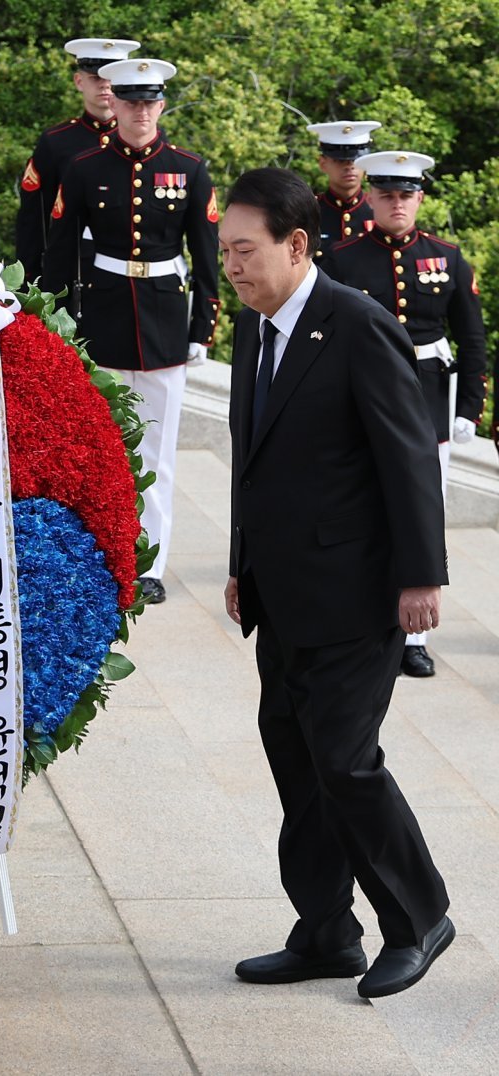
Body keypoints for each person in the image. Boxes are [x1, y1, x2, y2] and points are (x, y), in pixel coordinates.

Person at [221, 167, 454, 999]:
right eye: (224, 253)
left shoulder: (357, 325)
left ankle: (418, 917)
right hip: (282, 591)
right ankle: (325, 931)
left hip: (358, 592)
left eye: (246, 251)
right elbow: (257, 462)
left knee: (345, 762)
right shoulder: (254, 328)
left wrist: (422, 576)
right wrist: (241, 564)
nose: (234, 267)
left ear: (295, 245)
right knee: (296, 758)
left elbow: (409, 459)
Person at [42, 58, 220, 604]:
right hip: (103, 317)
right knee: (104, 448)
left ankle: (152, 563)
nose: (141, 111)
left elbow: (207, 254)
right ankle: (106, 553)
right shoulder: (83, 167)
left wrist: (203, 324)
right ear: (111, 102)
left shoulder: (189, 169)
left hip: (165, 320)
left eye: (150, 102)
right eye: (130, 101)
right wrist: (58, 324)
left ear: (161, 106)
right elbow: (60, 254)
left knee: (159, 452)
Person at [325, 150, 487, 678]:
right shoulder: (343, 259)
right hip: (360, 401)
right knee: (363, 507)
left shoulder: (449, 257)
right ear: (370, 197)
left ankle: (413, 636)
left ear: (420, 198)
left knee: (424, 512)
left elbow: (471, 339)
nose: (397, 203)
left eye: (407, 194)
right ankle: (364, 617)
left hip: (428, 402)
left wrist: (468, 408)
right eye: (387, 194)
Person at [15, 37, 140, 285]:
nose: (105, 86)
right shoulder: (57, 141)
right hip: (73, 267)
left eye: (111, 79)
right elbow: (34, 217)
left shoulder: (142, 138)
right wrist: (28, 279)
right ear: (79, 81)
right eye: (95, 78)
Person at [305, 120, 381, 266]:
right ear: (323, 164)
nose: (349, 166)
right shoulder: (308, 213)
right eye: (340, 160)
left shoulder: (379, 211)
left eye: (356, 160)